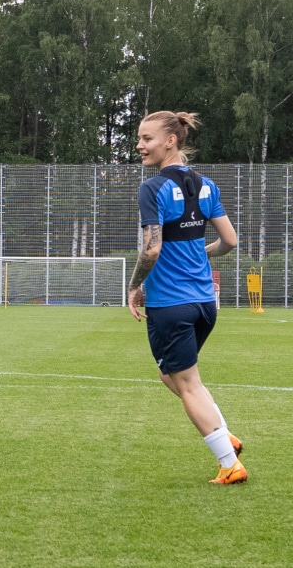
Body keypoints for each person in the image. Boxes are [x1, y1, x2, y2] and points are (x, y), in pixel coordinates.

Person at [127, 111, 245, 484]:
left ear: (170, 141)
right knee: (171, 375)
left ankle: (230, 465)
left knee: (187, 383)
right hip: (204, 303)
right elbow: (230, 241)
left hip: (171, 303)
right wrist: (199, 254)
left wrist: (134, 286)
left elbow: (151, 250)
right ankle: (225, 435)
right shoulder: (206, 185)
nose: (140, 145)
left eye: (147, 139)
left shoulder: (153, 188)